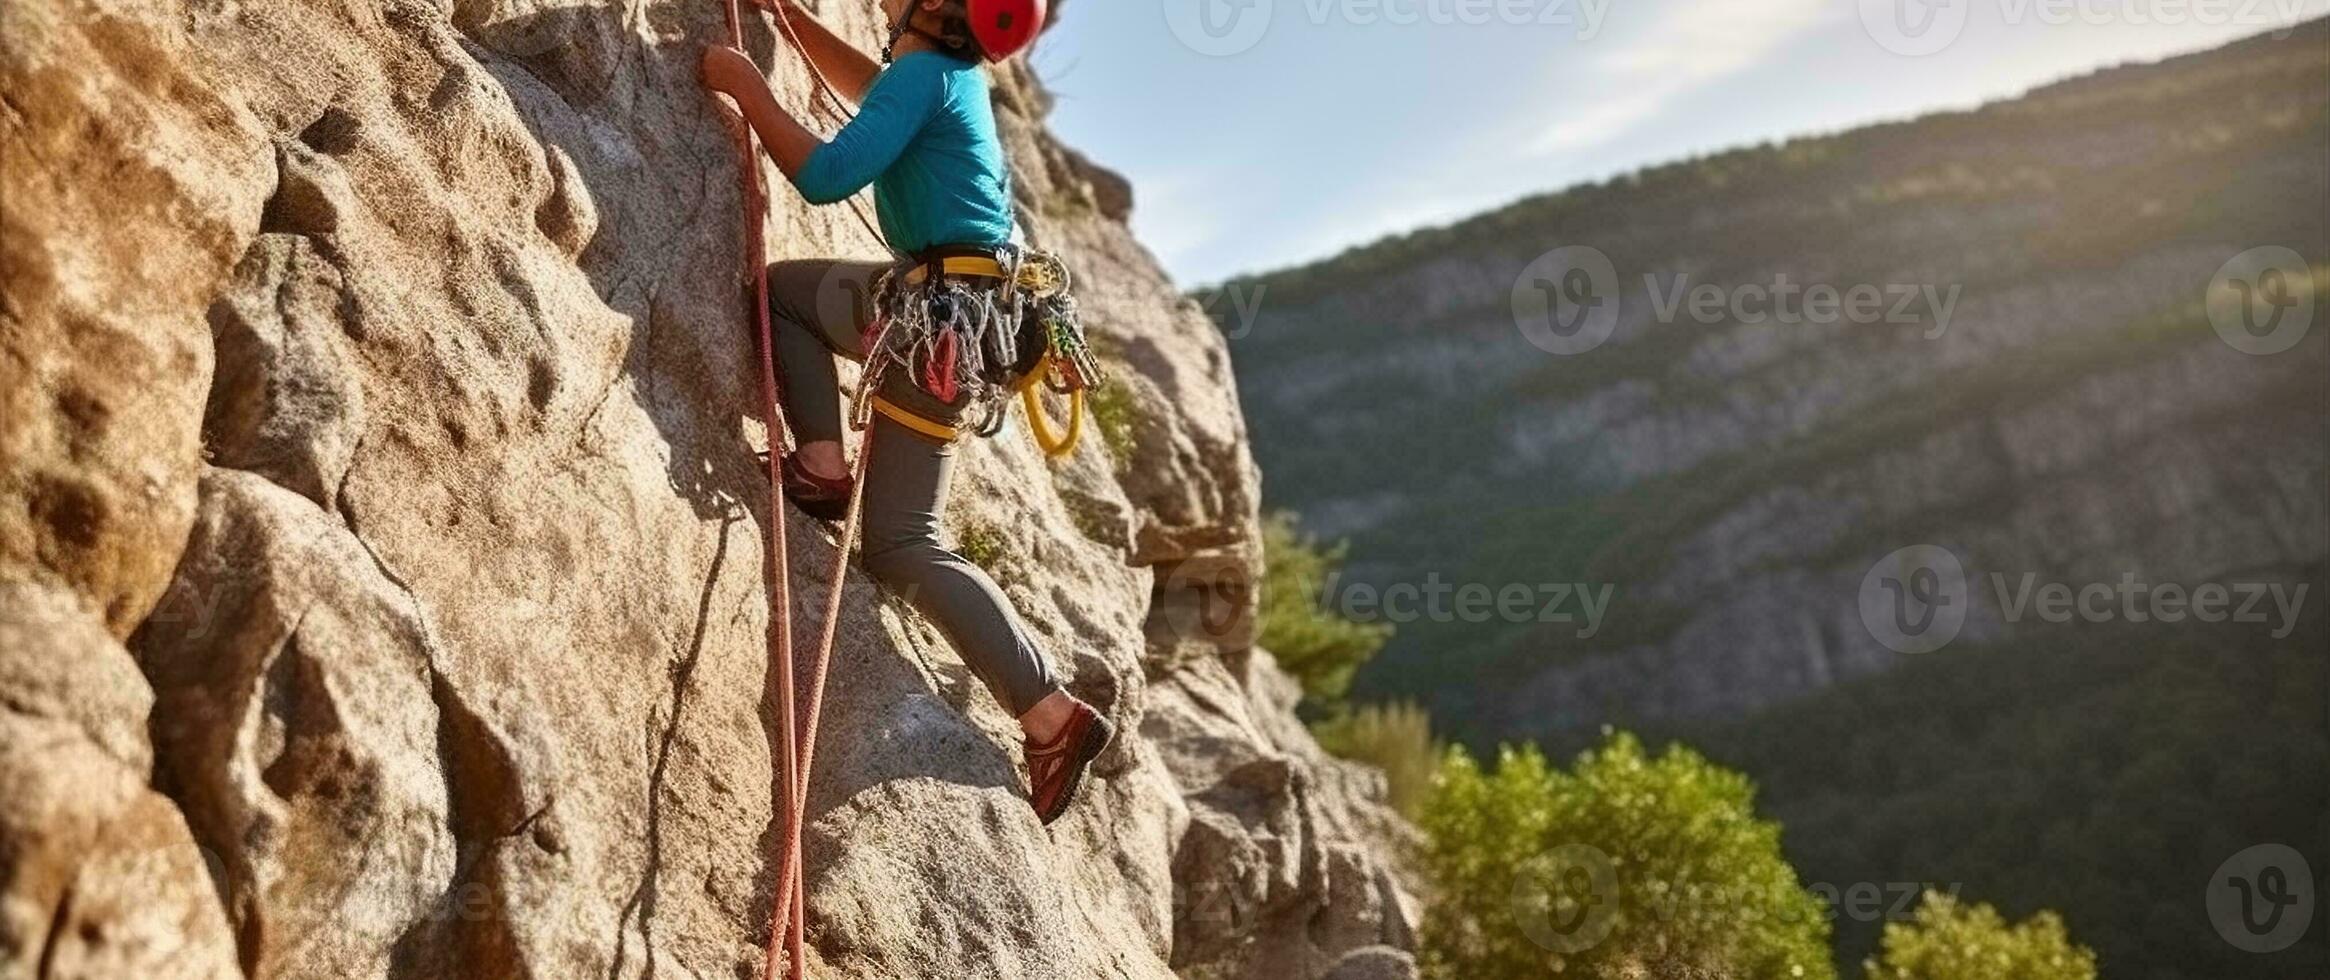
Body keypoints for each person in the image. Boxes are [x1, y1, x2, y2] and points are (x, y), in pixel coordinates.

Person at [698, 0, 1113, 826]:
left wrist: (747, 85)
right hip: (952, 310)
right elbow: (879, 85)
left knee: (902, 542)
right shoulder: (944, 78)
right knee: (787, 297)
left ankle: (1052, 713)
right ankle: (821, 468)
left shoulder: (927, 77)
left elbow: (823, 177)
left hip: (937, 324)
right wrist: (787, 20)